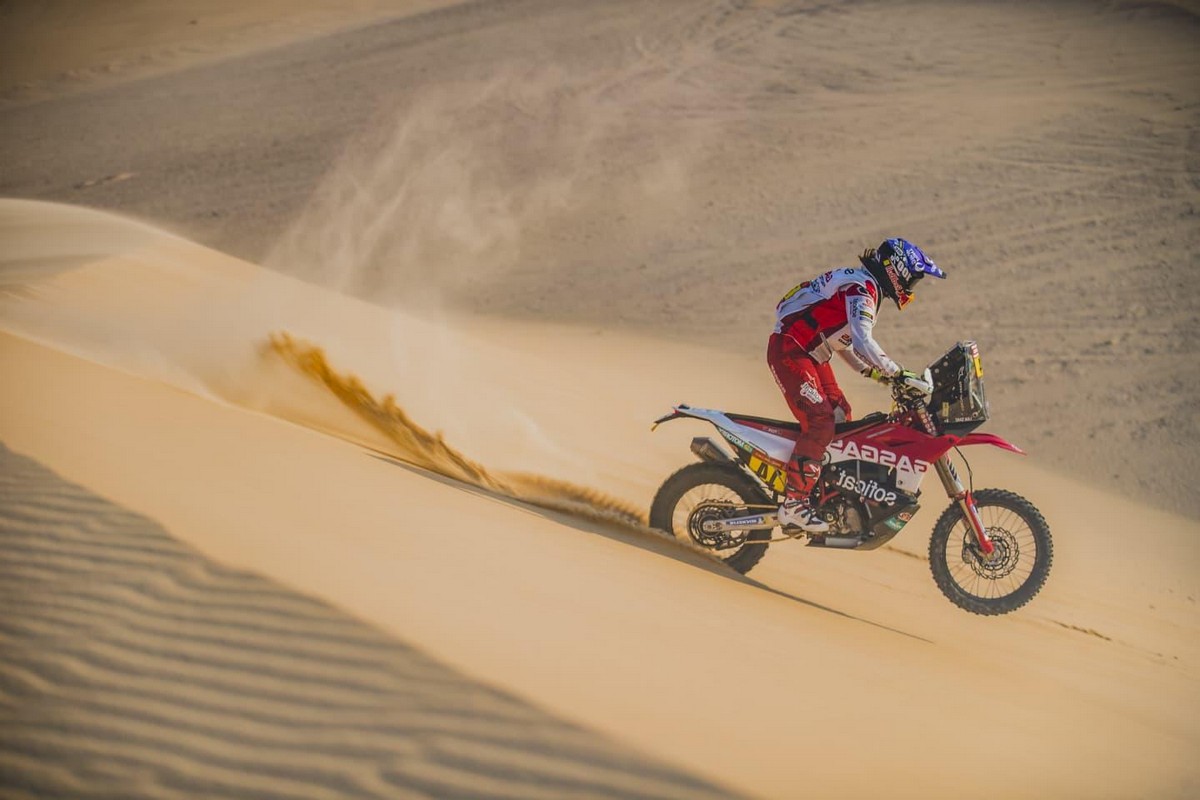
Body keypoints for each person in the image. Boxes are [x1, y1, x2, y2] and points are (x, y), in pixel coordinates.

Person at [768, 237, 946, 532]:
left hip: (810, 354)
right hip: (791, 351)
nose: (911, 289)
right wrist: (896, 372)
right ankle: (794, 504)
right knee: (821, 421)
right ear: (896, 271)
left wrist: (873, 373)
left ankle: (823, 492)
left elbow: (842, 343)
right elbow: (863, 340)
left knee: (840, 414)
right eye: (911, 280)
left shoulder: (862, 284)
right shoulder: (862, 289)